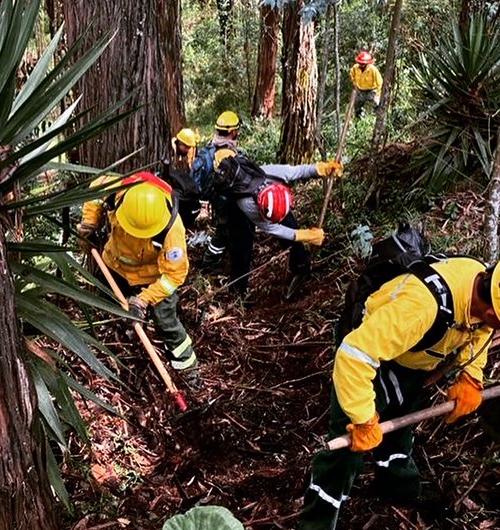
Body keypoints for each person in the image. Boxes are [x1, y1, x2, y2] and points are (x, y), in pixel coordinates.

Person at [294, 255, 500, 530]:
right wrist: (362, 417)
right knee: (345, 453)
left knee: (399, 430)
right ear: (492, 312)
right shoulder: (421, 307)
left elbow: (480, 332)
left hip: (414, 358)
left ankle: (398, 489)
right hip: (368, 358)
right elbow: (354, 355)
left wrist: (472, 376)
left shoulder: (485, 288)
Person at [77, 171, 201, 390]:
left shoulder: (172, 229)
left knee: (166, 323)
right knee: (105, 309)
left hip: (152, 278)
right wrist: (89, 223)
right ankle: (112, 354)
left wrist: (143, 300)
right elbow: (96, 188)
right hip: (114, 265)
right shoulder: (118, 190)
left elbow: (175, 275)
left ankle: (189, 372)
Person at [209, 148, 343, 299]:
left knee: (289, 222)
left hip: (268, 197)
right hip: (237, 204)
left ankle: (300, 266)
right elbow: (273, 228)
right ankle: (237, 292)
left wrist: (323, 169)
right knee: (242, 246)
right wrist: (303, 235)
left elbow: (299, 171)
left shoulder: (273, 173)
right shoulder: (246, 204)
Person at [194, 110, 243, 271]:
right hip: (225, 201)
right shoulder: (227, 153)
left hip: (217, 200)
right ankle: (208, 263)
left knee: (226, 230)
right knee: (223, 233)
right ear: (233, 131)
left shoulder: (210, 149)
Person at [349, 51, 383, 119]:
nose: (361, 65)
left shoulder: (373, 69)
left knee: (376, 103)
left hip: (371, 91)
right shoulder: (355, 68)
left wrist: (378, 95)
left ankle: (377, 118)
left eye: (363, 63)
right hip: (360, 90)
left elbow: (380, 82)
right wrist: (355, 84)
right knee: (357, 104)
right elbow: (352, 75)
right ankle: (358, 118)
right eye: (360, 63)